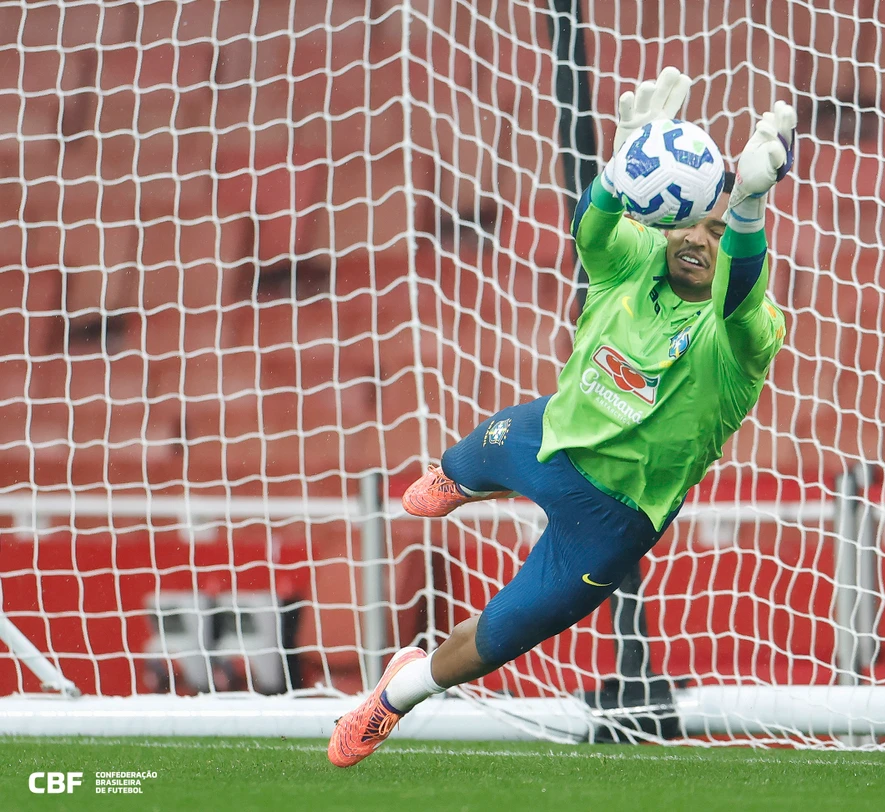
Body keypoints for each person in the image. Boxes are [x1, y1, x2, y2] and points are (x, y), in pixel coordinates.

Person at [327, 67, 795, 767]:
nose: (700, 237)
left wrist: (751, 205)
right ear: (665, 225)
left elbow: (744, 291)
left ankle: (393, 696)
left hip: (610, 519)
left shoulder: (744, 334)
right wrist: (624, 163)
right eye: (688, 221)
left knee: (502, 635)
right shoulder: (632, 262)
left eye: (719, 229)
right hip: (546, 436)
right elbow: (594, 224)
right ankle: (461, 479)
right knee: (457, 468)